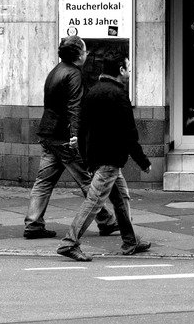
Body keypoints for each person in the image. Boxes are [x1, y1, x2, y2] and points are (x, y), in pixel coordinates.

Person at [57, 54, 152, 261]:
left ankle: (130, 241)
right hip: (110, 159)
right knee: (94, 201)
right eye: (128, 67)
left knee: (121, 198)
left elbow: (81, 130)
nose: (129, 71)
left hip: (99, 158)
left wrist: (86, 158)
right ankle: (69, 242)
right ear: (120, 70)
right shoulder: (118, 95)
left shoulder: (92, 92)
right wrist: (143, 161)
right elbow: (129, 133)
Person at [23, 35, 119, 239]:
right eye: (84, 51)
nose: (87, 54)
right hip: (65, 137)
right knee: (87, 180)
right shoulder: (74, 74)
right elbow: (74, 107)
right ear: (77, 54)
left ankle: (33, 223)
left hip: (49, 134)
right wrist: (76, 135)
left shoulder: (55, 71)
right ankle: (106, 221)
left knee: (43, 181)